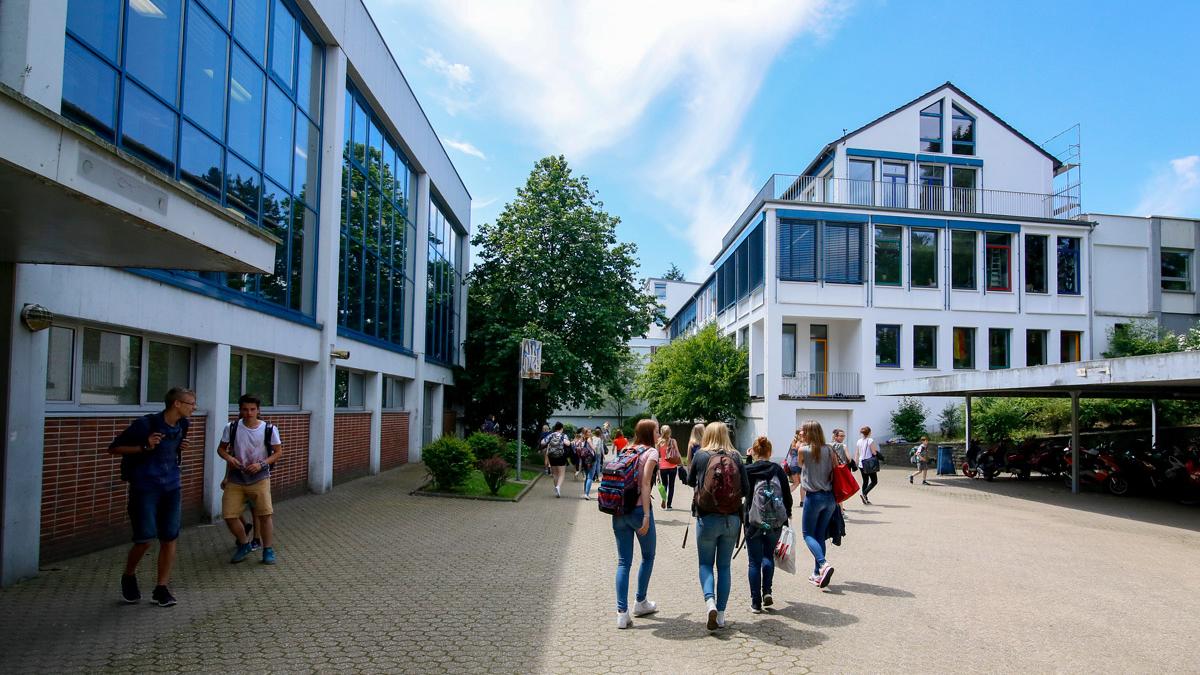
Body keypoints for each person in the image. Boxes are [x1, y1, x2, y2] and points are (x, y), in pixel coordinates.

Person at [107, 387, 197, 607]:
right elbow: (114, 448)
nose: (194, 407)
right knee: (145, 539)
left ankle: (161, 588)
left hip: (171, 487)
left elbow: (171, 451)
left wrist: (180, 448)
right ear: (176, 403)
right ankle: (129, 575)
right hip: (145, 487)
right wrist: (145, 446)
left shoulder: (183, 425)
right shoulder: (145, 424)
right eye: (190, 403)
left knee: (170, 536)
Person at [683, 421, 750, 631]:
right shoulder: (737, 457)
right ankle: (721, 615)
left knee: (705, 564)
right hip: (731, 519)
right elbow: (746, 489)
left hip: (707, 518)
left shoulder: (701, 455)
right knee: (724, 567)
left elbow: (689, 479)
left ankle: (709, 602)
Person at [218, 394, 283, 565]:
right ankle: (244, 543)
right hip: (236, 477)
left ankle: (268, 549)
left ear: (258, 410)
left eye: (252, 409)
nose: (249, 413)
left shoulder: (269, 429)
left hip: (259, 477)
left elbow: (278, 452)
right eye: (245, 410)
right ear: (240, 410)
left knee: (265, 514)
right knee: (229, 515)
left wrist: (261, 464)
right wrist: (229, 459)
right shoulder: (231, 427)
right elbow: (221, 449)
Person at [611, 419, 660, 628]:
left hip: (619, 510)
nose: (659, 434)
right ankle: (640, 601)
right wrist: (647, 516)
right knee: (648, 556)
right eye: (657, 431)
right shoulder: (651, 453)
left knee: (623, 562)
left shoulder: (626, 450)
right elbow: (646, 483)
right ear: (650, 433)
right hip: (639, 511)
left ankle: (622, 613)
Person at [744, 436, 792, 614]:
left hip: (753, 522)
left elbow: (742, 489)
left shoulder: (748, 469)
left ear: (754, 452)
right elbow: (787, 497)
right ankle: (767, 592)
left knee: (754, 562)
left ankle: (755, 603)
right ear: (770, 452)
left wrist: (748, 459)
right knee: (768, 557)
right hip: (775, 522)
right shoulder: (778, 470)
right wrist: (786, 518)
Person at [798, 419, 837, 589]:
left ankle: (823, 564)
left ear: (808, 433)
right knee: (820, 535)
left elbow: (800, 466)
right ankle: (817, 573)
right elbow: (836, 469)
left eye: (802, 431)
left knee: (807, 534)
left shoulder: (803, 450)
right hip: (830, 498)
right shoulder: (829, 449)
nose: (800, 433)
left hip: (813, 497)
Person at [656, 425, 681, 510]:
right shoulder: (673, 441)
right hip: (673, 466)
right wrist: (680, 463)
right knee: (671, 486)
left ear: (661, 432)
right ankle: (669, 505)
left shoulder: (659, 442)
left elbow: (656, 455)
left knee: (664, 485)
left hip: (663, 467)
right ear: (669, 432)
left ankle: (663, 499)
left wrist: (656, 468)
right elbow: (677, 453)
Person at [855, 426, 882, 504]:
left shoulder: (859, 441)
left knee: (865, 481)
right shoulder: (870, 440)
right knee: (874, 481)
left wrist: (856, 463)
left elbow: (857, 453)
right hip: (869, 464)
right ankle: (864, 494)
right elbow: (874, 452)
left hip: (861, 464)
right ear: (870, 432)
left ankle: (865, 499)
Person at [541, 422, 569, 497]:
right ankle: (558, 487)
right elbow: (567, 443)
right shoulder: (563, 435)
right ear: (562, 428)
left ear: (555, 428)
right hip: (561, 456)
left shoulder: (551, 435)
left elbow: (542, 442)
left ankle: (557, 491)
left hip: (551, 456)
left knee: (555, 474)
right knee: (561, 474)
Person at [583, 427, 605, 500]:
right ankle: (587, 494)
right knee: (590, 477)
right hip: (591, 460)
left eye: (590, 432)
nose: (590, 433)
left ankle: (585, 492)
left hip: (585, 459)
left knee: (587, 477)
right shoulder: (589, 439)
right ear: (586, 433)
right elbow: (593, 448)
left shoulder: (583, 440)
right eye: (589, 432)